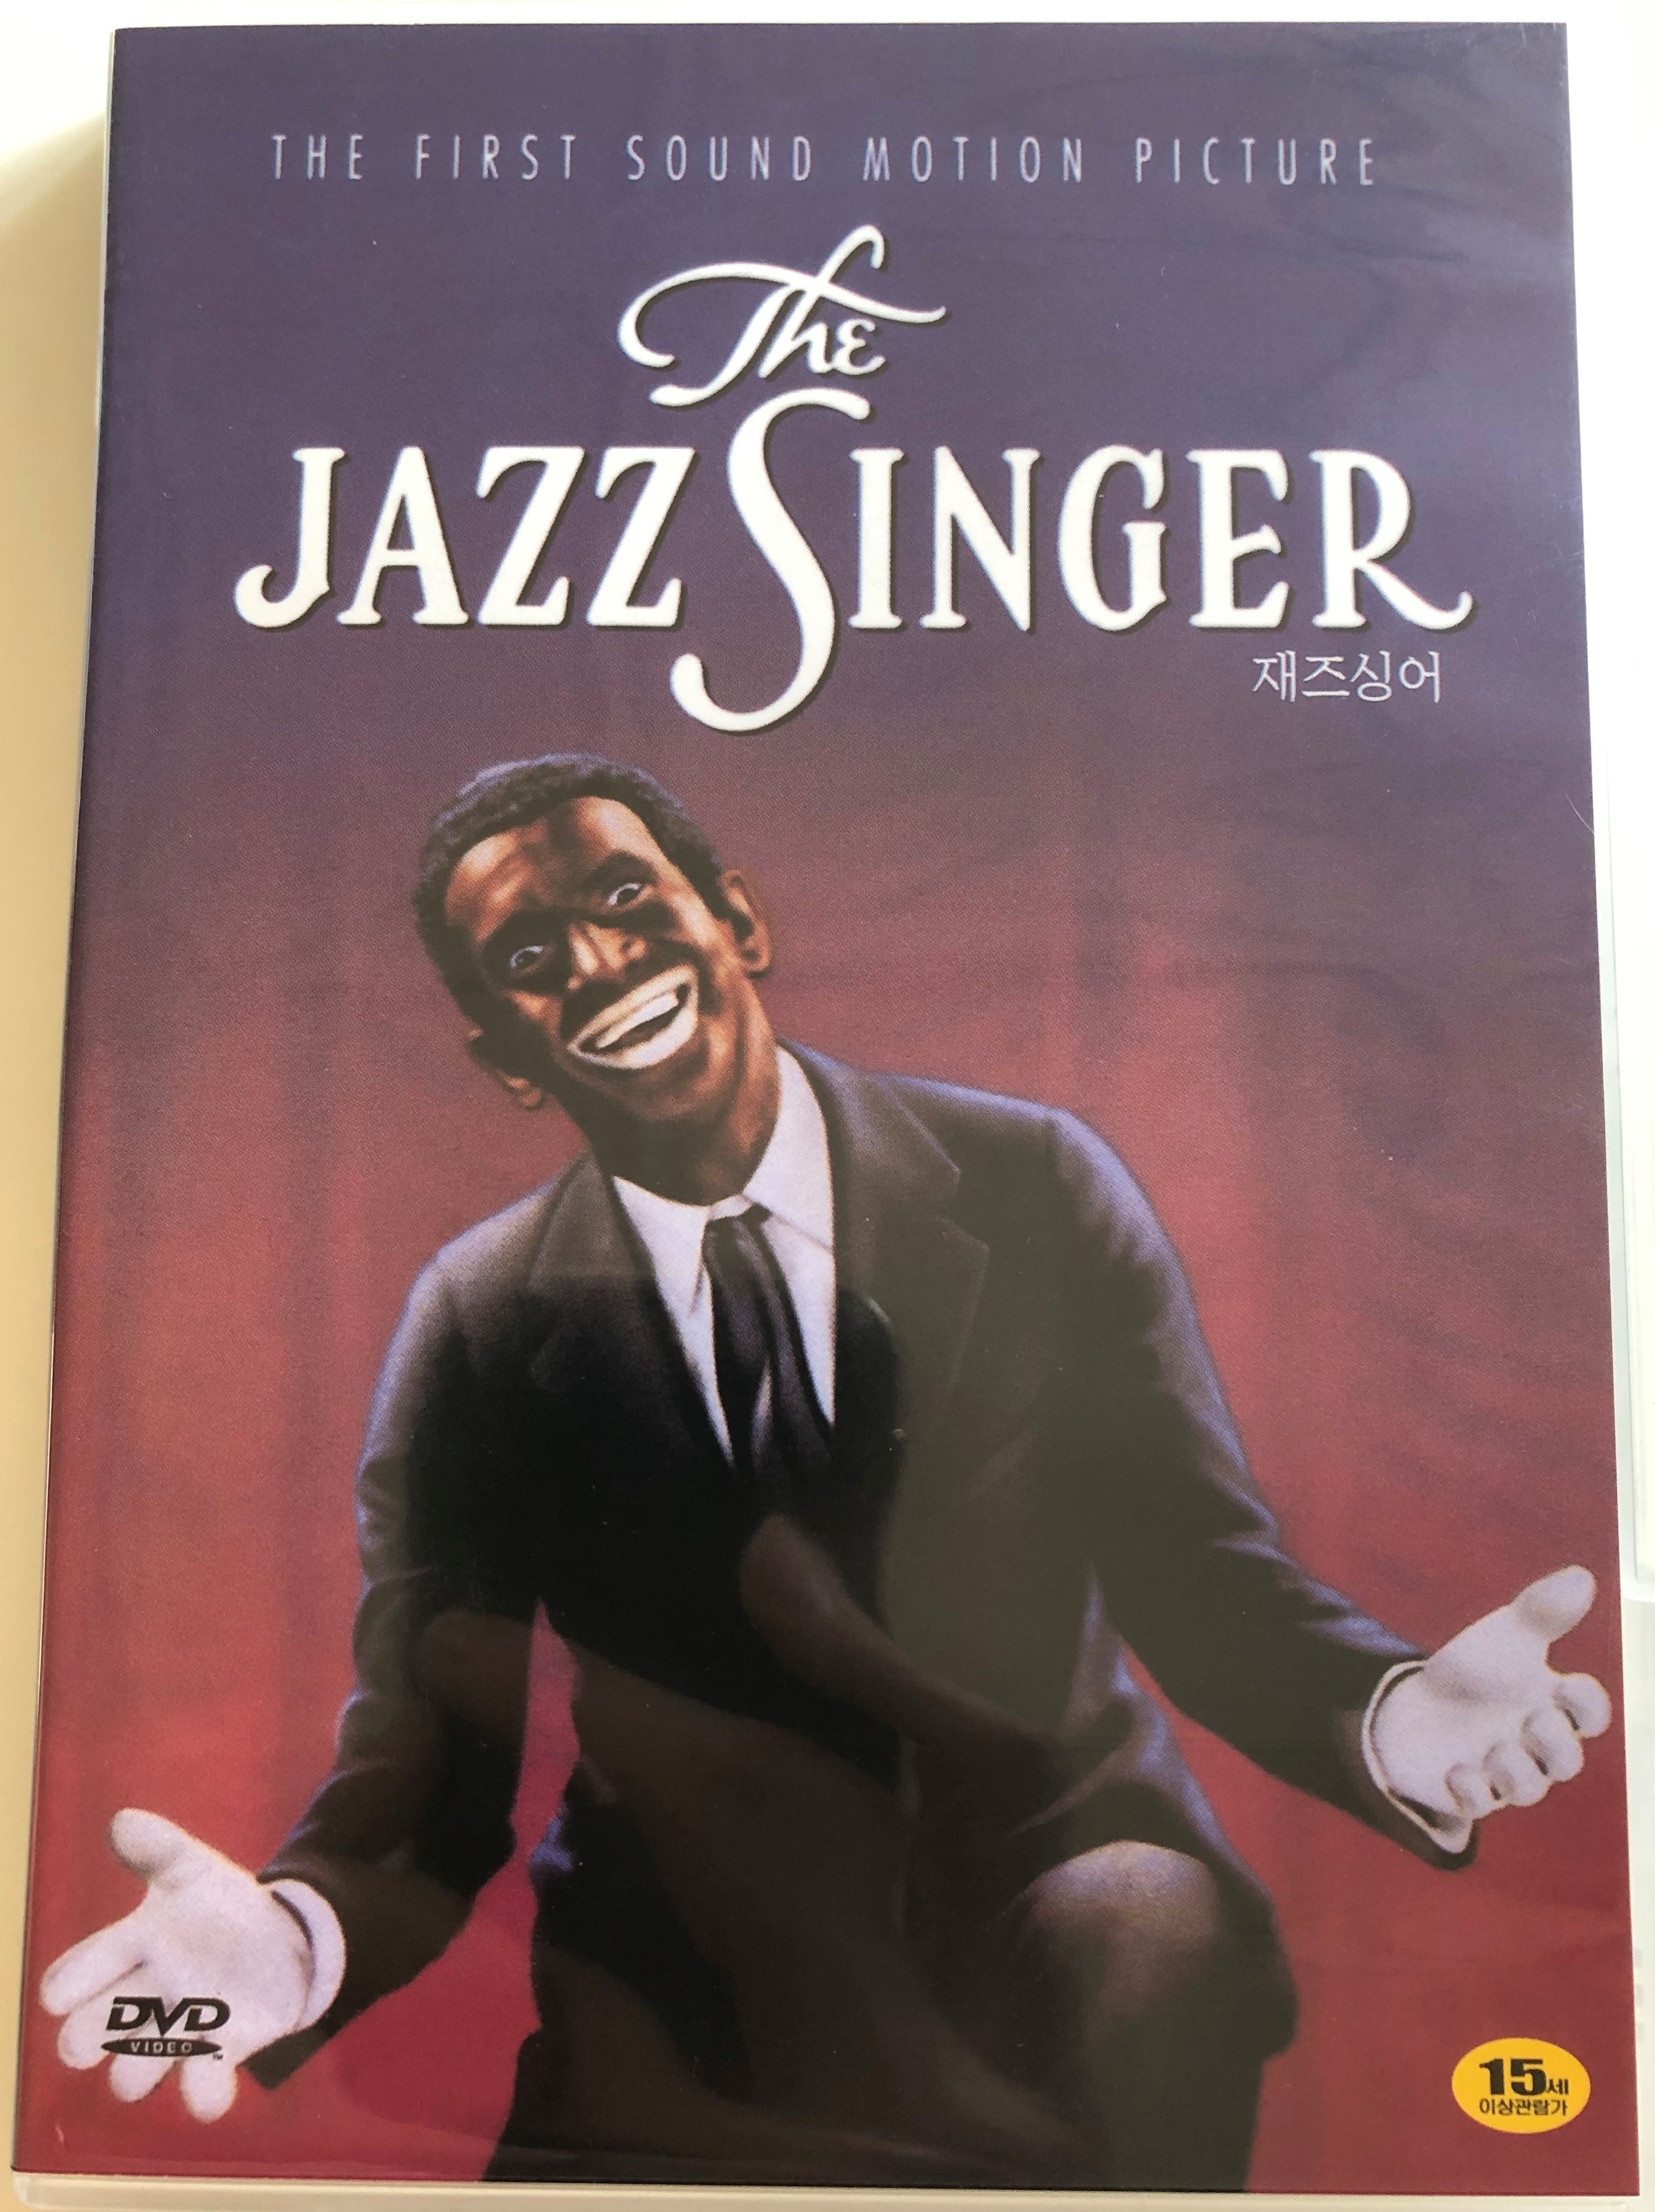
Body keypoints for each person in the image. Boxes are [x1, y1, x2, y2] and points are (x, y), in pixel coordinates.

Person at [41, 755, 1612, 2188]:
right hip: (681, 2003)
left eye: (623, 897)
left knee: (1147, 1926)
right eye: (528, 961)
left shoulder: (1034, 1184)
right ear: (504, 1056)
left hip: (1053, 1915)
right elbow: (436, 1750)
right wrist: (294, 1939)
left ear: (736, 920)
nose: (596, 962)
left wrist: (1394, 1716)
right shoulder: (477, 1320)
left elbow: (1198, 1576)